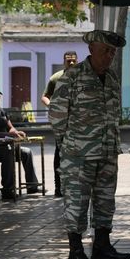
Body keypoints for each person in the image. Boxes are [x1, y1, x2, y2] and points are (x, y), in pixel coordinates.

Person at [49, 30, 130, 259]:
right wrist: (69, 145)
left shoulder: (112, 77)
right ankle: (75, 252)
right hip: (78, 155)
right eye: (105, 50)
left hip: (107, 152)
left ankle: (102, 247)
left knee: (106, 202)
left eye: (113, 52)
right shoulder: (72, 77)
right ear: (91, 50)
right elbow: (56, 115)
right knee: (77, 203)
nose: (109, 56)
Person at [0, 86, 40, 200]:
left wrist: (16, 132)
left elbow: (10, 128)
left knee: (27, 152)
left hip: (5, 143)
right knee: (8, 152)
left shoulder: (1, 110)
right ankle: (8, 190)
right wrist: (5, 135)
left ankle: (32, 185)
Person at [41, 51, 79, 197]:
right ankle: (59, 187)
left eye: (73, 61)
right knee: (60, 153)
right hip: (61, 123)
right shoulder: (56, 78)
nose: (70, 63)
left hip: (79, 122)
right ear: (64, 61)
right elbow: (44, 96)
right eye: (68, 60)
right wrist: (52, 106)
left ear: (77, 61)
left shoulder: (83, 77)